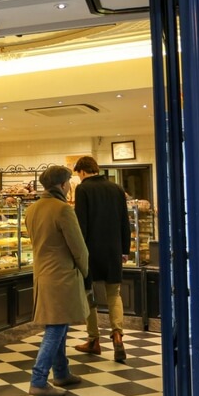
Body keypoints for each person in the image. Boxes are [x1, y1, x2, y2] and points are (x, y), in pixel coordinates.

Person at [24, 165, 89, 396]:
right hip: (61, 276)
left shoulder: (31, 209)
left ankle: (61, 372)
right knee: (56, 328)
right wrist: (84, 269)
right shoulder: (62, 210)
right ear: (63, 185)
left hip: (42, 275)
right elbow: (78, 247)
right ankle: (38, 380)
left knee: (59, 323)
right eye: (69, 183)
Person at [72, 155, 131, 362]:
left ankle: (93, 340)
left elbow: (81, 224)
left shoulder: (83, 189)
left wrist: (78, 253)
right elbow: (125, 221)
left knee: (90, 294)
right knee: (114, 293)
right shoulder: (116, 188)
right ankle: (117, 336)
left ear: (82, 172)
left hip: (91, 250)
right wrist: (125, 249)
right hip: (113, 250)